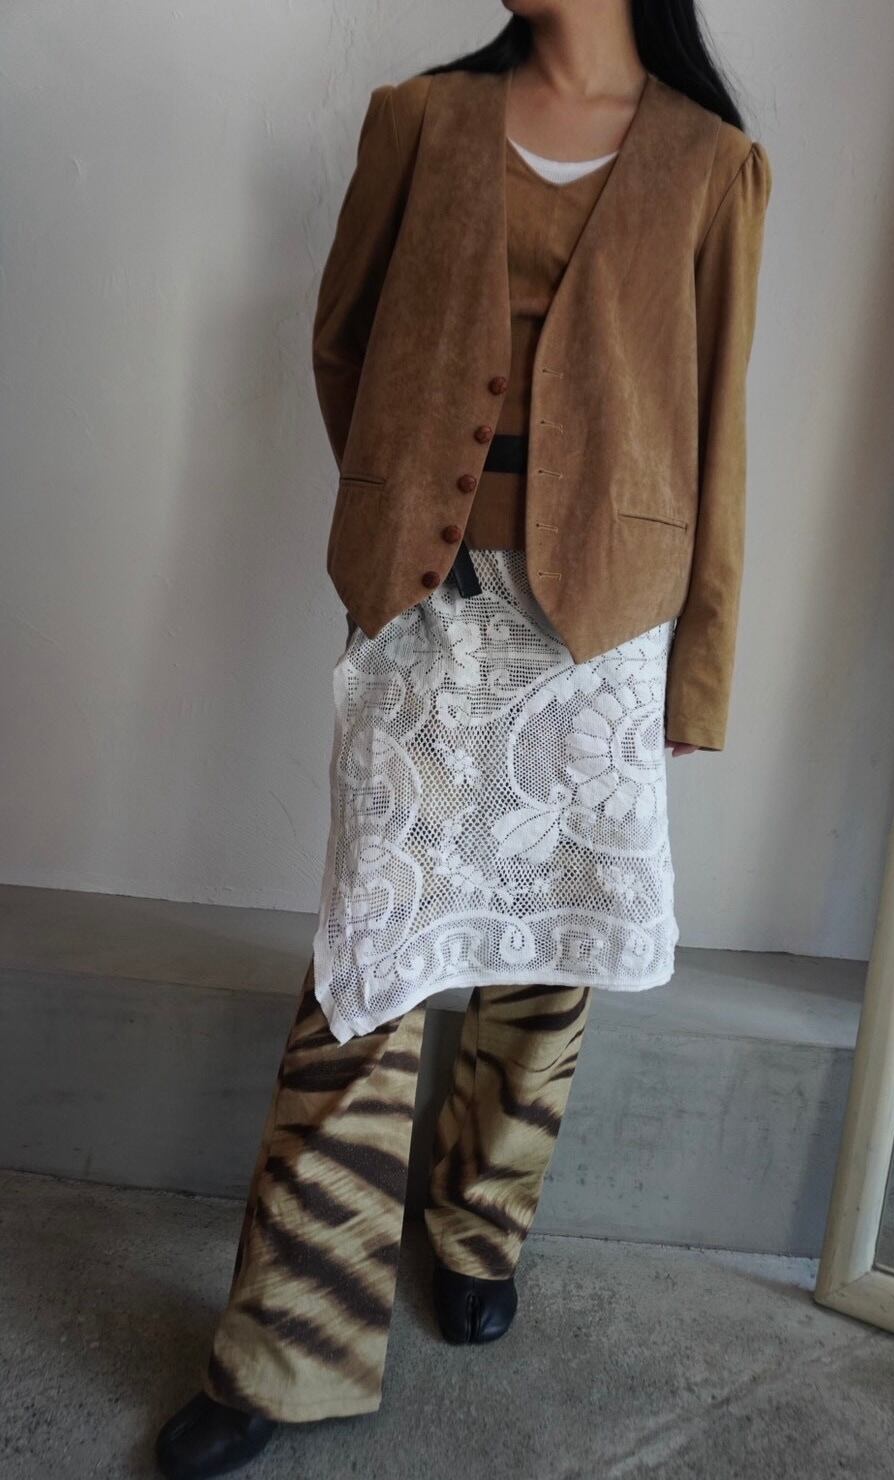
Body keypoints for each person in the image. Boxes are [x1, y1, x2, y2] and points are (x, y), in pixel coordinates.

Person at [155, 2, 773, 1475]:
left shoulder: (713, 164)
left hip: (603, 629)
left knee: (548, 946)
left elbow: (716, 425)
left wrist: (696, 673)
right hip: (425, 609)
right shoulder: (419, 121)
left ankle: (479, 1226)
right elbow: (341, 342)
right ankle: (286, 1343)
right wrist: (397, 506)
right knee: (366, 964)